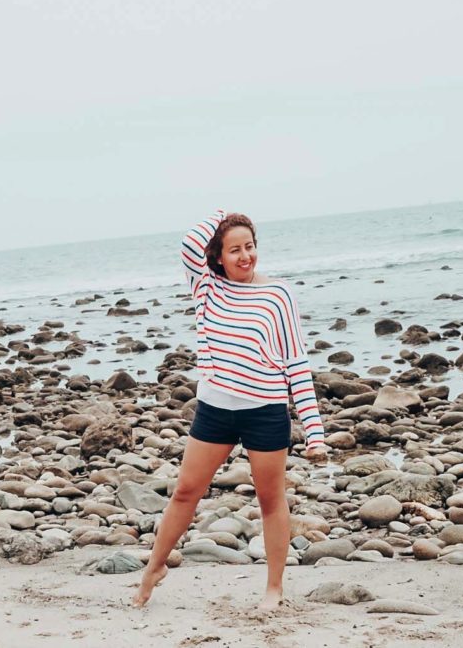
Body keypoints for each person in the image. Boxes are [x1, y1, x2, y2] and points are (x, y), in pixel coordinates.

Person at [132, 209, 329, 610]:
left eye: (250, 246)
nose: (245, 256)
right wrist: (225, 214)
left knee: (270, 499)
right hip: (215, 410)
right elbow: (189, 242)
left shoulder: (278, 295)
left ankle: (274, 589)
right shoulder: (206, 287)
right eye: (234, 249)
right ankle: (154, 568)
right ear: (218, 256)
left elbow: (295, 361)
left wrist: (314, 429)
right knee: (186, 490)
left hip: (266, 410)